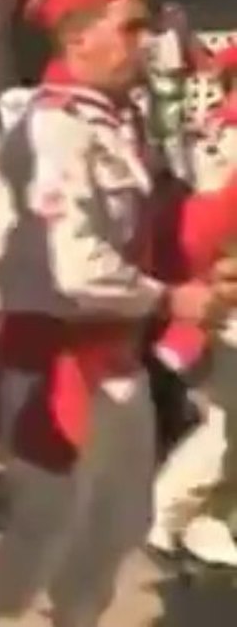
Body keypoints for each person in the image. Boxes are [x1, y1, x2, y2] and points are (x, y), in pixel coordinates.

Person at [0, 0, 236, 627]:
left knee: (115, 528)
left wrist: (203, 269)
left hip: (117, 361)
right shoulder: (52, 129)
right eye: (129, 28)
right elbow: (73, 270)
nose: (146, 42)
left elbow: (153, 233)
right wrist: (172, 301)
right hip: (56, 369)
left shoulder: (114, 123)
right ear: (77, 41)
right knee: (39, 539)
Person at [146, 44, 237, 570]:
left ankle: (201, 519)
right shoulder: (223, 136)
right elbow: (210, 225)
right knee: (227, 421)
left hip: (216, 286)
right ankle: (166, 514)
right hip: (218, 296)